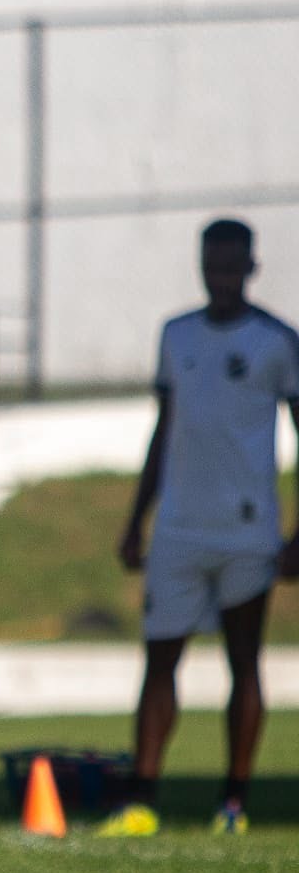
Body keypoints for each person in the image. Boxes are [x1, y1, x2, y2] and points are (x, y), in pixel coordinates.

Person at [108, 218, 299, 837]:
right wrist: (137, 519)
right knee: (159, 660)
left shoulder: (277, 341)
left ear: (251, 268)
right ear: (202, 265)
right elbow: (164, 432)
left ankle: (234, 803)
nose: (221, 276)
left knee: (244, 660)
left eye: (231, 266)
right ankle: (141, 799)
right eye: (211, 265)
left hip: (248, 530)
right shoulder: (177, 334)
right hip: (179, 531)